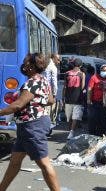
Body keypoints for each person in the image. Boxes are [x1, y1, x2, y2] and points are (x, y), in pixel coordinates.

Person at [0, 53, 60, 191]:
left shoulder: (32, 82)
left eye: (26, 63)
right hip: (29, 125)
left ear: (32, 66)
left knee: (44, 164)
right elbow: (51, 100)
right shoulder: (43, 80)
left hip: (32, 126)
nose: (24, 66)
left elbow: (17, 105)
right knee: (14, 162)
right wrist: (36, 101)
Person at [87, 64, 106, 137]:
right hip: (95, 103)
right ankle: (91, 136)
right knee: (93, 119)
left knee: (103, 121)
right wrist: (88, 99)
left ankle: (100, 136)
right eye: (102, 70)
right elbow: (89, 89)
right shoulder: (94, 77)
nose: (104, 72)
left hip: (105, 104)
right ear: (100, 70)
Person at [63, 58, 85, 139]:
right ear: (80, 65)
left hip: (68, 96)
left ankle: (69, 131)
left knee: (69, 115)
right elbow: (82, 87)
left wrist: (63, 97)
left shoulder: (67, 73)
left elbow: (65, 87)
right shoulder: (82, 74)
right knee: (75, 116)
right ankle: (71, 132)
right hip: (77, 97)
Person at [44, 53, 60, 127]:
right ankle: (46, 126)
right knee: (47, 110)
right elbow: (54, 82)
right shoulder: (53, 67)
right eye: (58, 59)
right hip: (47, 91)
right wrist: (54, 94)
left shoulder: (45, 64)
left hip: (41, 89)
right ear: (53, 58)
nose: (59, 62)